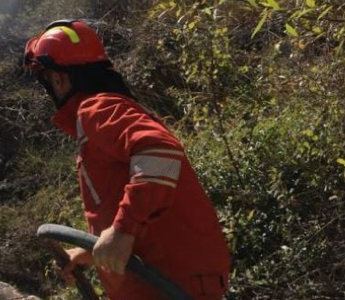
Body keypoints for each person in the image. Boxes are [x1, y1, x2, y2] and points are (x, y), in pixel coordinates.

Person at [22, 20, 230, 300]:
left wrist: (122, 231)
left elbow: (162, 154)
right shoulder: (101, 120)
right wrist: (91, 250)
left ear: (58, 78)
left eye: (48, 79)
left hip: (167, 286)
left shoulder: (97, 109)